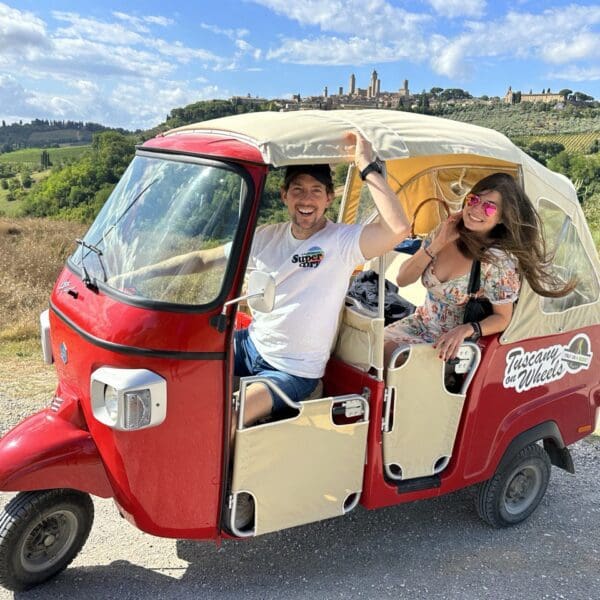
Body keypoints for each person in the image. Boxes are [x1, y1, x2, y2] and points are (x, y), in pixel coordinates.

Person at [384, 172, 574, 364]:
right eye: (473, 199)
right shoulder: (444, 232)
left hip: (451, 345)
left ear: (502, 218)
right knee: (369, 348)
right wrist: (438, 243)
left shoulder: (497, 261)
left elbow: (502, 318)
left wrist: (467, 329)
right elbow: (402, 279)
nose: (476, 209)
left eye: (489, 207)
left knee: (390, 359)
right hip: (419, 324)